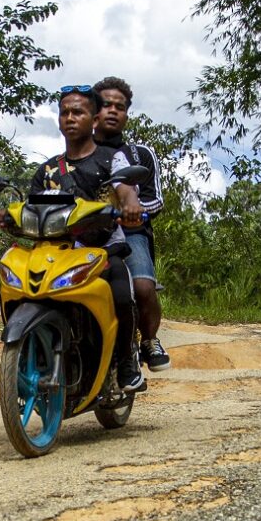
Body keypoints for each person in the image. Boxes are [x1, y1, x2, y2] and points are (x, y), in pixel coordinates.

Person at [7, 85, 147, 394]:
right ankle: (22, 352)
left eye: (78, 112)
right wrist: (6, 215)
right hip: (57, 252)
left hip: (103, 250)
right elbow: (32, 205)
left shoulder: (112, 159)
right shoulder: (47, 170)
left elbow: (125, 188)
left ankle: (127, 362)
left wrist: (130, 204)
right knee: (17, 283)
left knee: (122, 292)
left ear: (94, 119)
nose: (70, 118)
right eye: (64, 113)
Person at [91, 76, 168, 370]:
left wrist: (135, 210)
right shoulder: (77, 154)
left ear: (126, 114)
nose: (112, 110)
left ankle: (149, 339)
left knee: (143, 288)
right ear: (93, 110)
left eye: (120, 107)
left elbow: (156, 199)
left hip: (130, 233)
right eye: (106, 105)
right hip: (84, 234)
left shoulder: (140, 154)